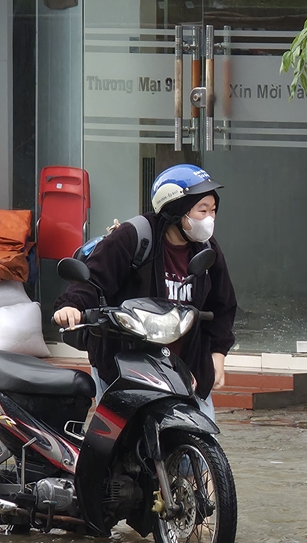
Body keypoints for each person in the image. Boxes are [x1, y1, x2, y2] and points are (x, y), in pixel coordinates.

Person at [53, 164, 236, 414]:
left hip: (186, 366)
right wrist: (71, 306)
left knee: (201, 443)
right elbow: (93, 279)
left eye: (213, 210)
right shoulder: (134, 236)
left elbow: (222, 304)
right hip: (127, 362)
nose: (210, 219)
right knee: (121, 444)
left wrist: (218, 355)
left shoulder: (207, 249)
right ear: (176, 210)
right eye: (202, 210)